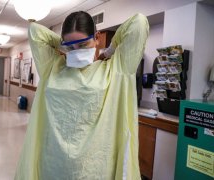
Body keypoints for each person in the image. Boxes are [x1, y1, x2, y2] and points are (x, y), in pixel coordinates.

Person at [15, 11, 149, 180]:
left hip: (95, 170)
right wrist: (64, 44)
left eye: (83, 44)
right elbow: (35, 31)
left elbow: (139, 22)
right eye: (70, 47)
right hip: (53, 166)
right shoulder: (52, 68)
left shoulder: (116, 70)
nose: (76, 52)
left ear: (97, 37)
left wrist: (108, 51)